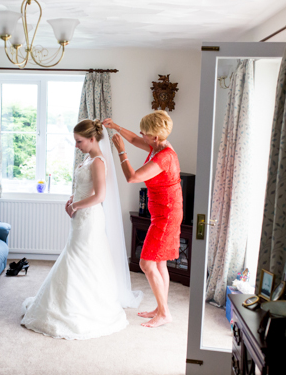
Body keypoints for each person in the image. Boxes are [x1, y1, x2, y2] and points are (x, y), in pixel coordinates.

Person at [21, 119, 142, 340]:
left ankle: (80, 309)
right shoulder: (87, 158)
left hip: (89, 219)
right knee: (75, 256)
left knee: (79, 258)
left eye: (79, 141)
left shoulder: (98, 161)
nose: (76, 145)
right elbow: (83, 188)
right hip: (79, 218)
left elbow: (100, 196)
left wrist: (76, 205)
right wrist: (72, 198)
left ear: (92, 139)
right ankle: (64, 303)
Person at [103, 111, 182, 328]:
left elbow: (132, 177)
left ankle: (164, 313)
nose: (141, 135)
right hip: (166, 212)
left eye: (145, 133)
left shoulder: (164, 156)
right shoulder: (160, 145)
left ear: (155, 138)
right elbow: (137, 140)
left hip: (166, 215)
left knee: (146, 263)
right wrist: (115, 126)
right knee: (160, 262)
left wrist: (121, 151)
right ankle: (161, 306)